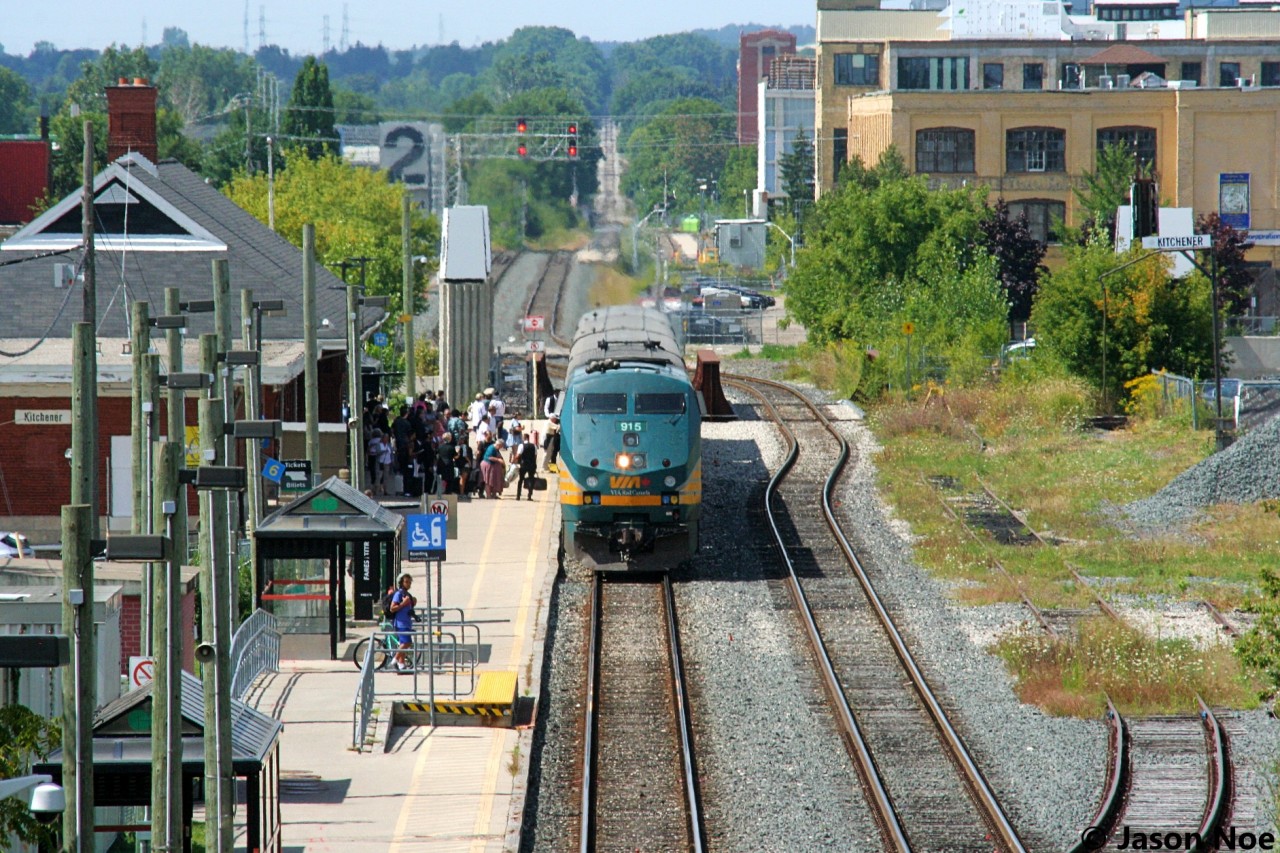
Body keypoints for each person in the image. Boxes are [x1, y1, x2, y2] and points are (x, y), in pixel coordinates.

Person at [388, 572, 416, 671]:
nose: (408, 584)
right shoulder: (399, 594)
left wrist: (412, 602)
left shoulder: (407, 594)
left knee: (403, 643)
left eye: (409, 582)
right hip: (401, 623)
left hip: (407, 622)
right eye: (406, 582)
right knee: (407, 642)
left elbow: (409, 606)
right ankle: (394, 659)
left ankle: (401, 665)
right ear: (401, 583)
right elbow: (392, 608)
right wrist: (403, 603)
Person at [514, 429, 539, 500]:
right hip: (532, 465)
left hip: (523, 465)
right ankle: (529, 495)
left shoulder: (521, 446)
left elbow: (518, 455)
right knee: (531, 479)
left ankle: (518, 495)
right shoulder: (534, 446)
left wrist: (513, 460)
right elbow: (535, 456)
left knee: (521, 479)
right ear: (528, 438)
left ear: (524, 438)